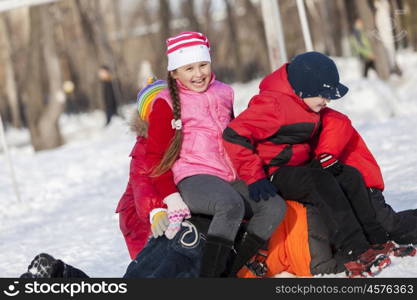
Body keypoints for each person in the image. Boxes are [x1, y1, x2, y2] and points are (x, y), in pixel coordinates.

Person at [222, 51, 393, 277]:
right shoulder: (273, 106)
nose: (327, 101)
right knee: (319, 182)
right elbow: (233, 134)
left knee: (348, 175)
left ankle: (377, 240)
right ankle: (354, 250)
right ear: (303, 89)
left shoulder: (304, 103)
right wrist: (255, 177)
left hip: (299, 166)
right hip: (274, 172)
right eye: (322, 95)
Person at [144, 31, 286, 278]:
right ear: (174, 73)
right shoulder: (165, 103)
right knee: (228, 205)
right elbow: (155, 156)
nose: (198, 74)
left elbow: (234, 137)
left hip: (229, 174)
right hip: (193, 176)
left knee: (274, 207)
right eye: (188, 69)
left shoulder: (224, 92)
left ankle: (232, 270)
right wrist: (170, 196)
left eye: (203, 65)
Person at [312, 106, 417, 247]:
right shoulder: (303, 120)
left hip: (364, 183)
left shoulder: (330, 117)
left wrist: (325, 154)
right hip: (344, 187)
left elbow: (336, 129)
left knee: (389, 227)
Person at [115, 78, 169, 259]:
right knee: (151, 260)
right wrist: (156, 209)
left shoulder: (176, 134)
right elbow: (142, 183)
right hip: (139, 219)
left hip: (163, 207)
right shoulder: (143, 149)